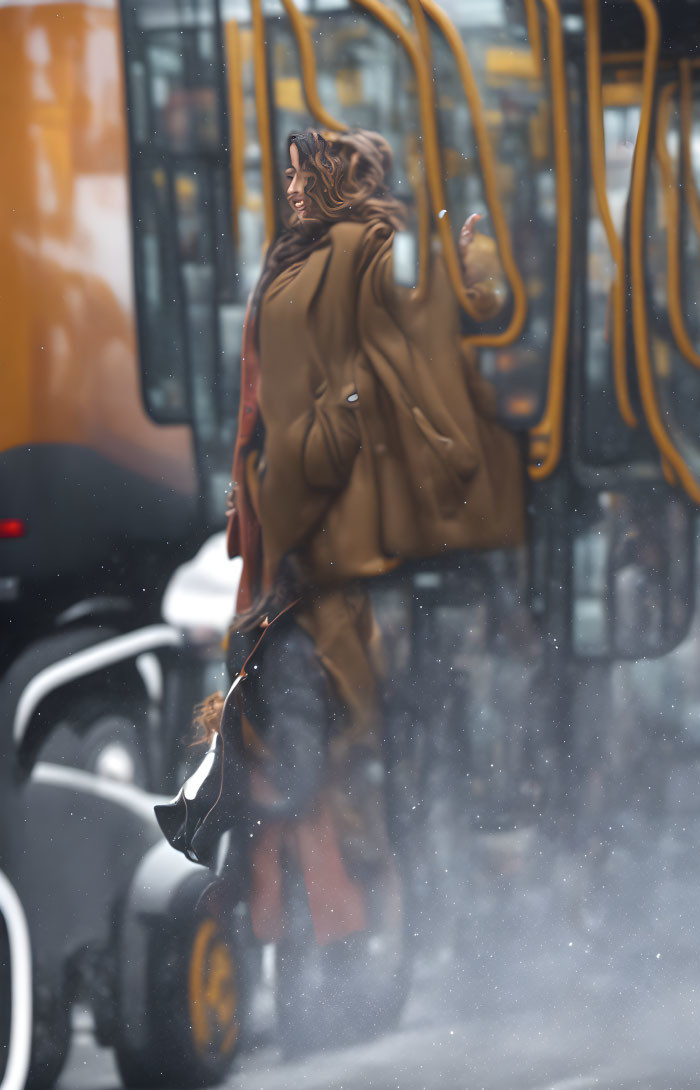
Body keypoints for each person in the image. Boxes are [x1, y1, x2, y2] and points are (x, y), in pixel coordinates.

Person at [221, 128, 523, 1029]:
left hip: (337, 560)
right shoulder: (308, 259)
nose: (292, 187)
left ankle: (349, 970)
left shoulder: (355, 255)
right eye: (287, 173)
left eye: (305, 172)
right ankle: (342, 966)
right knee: (333, 766)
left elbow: (384, 372)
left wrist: (294, 473)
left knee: (330, 767)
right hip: (314, 558)